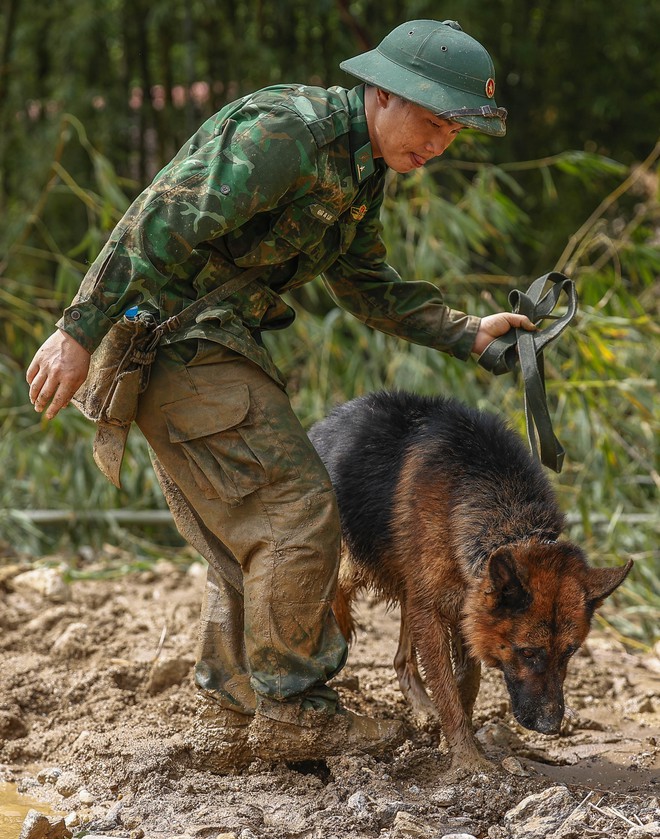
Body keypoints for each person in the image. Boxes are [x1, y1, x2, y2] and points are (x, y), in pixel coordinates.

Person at [26, 19, 535, 769]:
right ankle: (295, 709)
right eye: (431, 122)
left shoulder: (361, 173)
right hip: (170, 337)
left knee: (249, 530)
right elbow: (161, 214)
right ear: (386, 94)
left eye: (454, 132)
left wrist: (470, 334)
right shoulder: (287, 134)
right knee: (298, 510)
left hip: (213, 341)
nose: (438, 145)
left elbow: (367, 286)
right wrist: (77, 328)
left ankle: (236, 704)